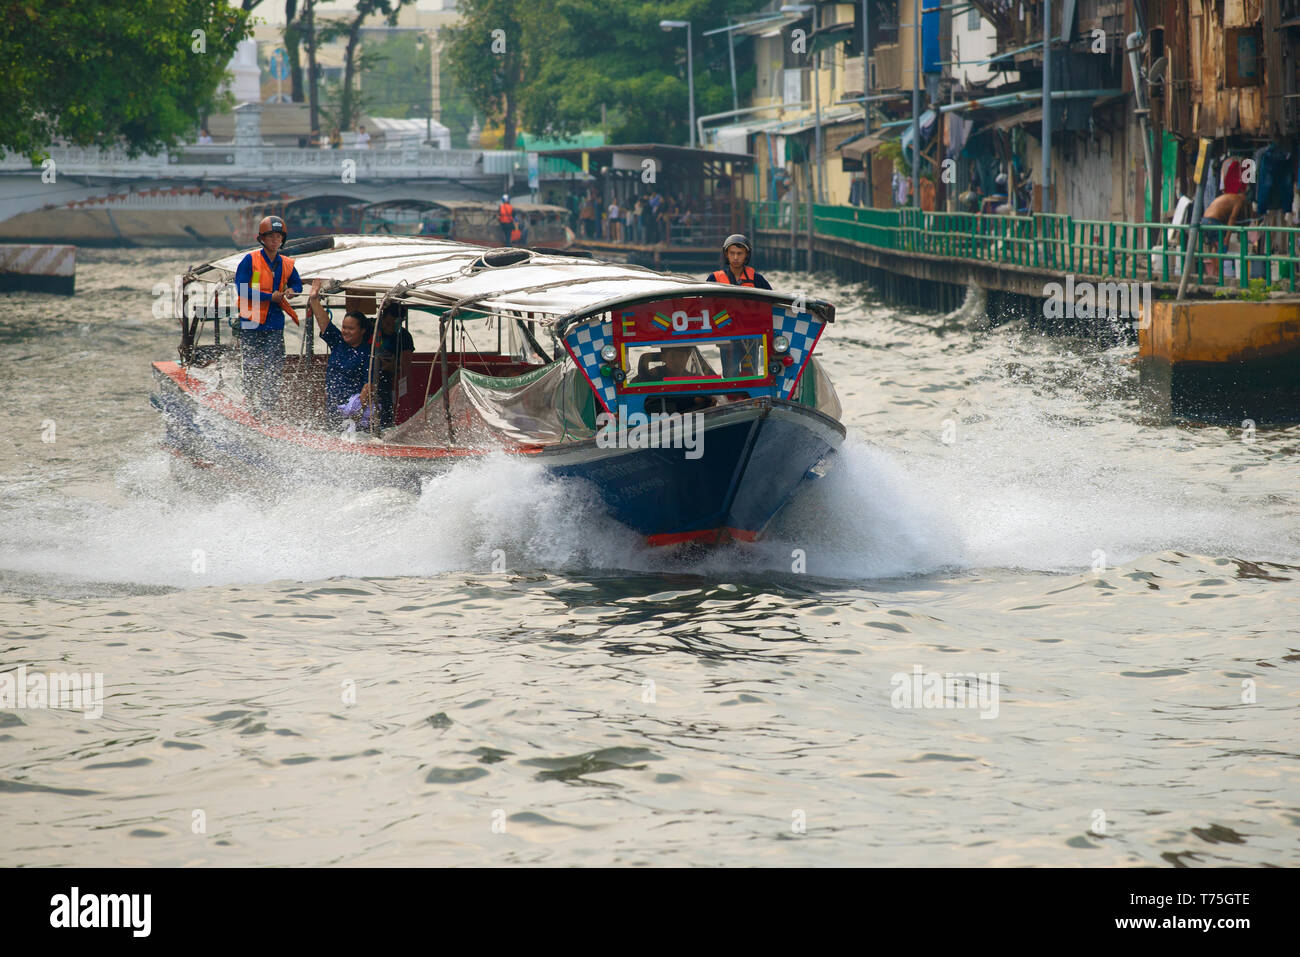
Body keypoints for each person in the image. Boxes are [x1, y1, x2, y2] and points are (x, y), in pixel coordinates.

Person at [235, 215, 302, 415]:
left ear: (282, 239)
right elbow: (242, 289)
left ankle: (267, 408)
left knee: (274, 365)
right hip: (251, 318)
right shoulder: (250, 260)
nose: (274, 240)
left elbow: (297, 283)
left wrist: (292, 291)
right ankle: (251, 403)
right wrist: (268, 297)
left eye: (278, 236)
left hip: (273, 320)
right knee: (252, 364)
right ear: (262, 238)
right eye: (270, 236)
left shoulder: (287, 264)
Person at [306, 279, 372, 422]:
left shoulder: (367, 353)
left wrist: (358, 409)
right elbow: (324, 323)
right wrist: (314, 299)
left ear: (362, 331)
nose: (345, 331)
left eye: (351, 329)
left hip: (353, 410)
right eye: (344, 327)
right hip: (332, 407)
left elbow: (369, 384)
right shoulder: (339, 342)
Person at [361, 301, 415, 427]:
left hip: (386, 381)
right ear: (382, 318)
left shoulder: (404, 336)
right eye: (388, 323)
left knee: (384, 413)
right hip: (363, 376)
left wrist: (393, 367)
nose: (390, 327)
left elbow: (406, 366)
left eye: (395, 324)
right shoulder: (370, 328)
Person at [708, 234, 772, 289]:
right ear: (726, 254)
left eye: (740, 253)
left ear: (746, 255)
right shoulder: (714, 279)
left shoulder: (757, 279)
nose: (736, 258)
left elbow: (772, 300)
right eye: (732, 253)